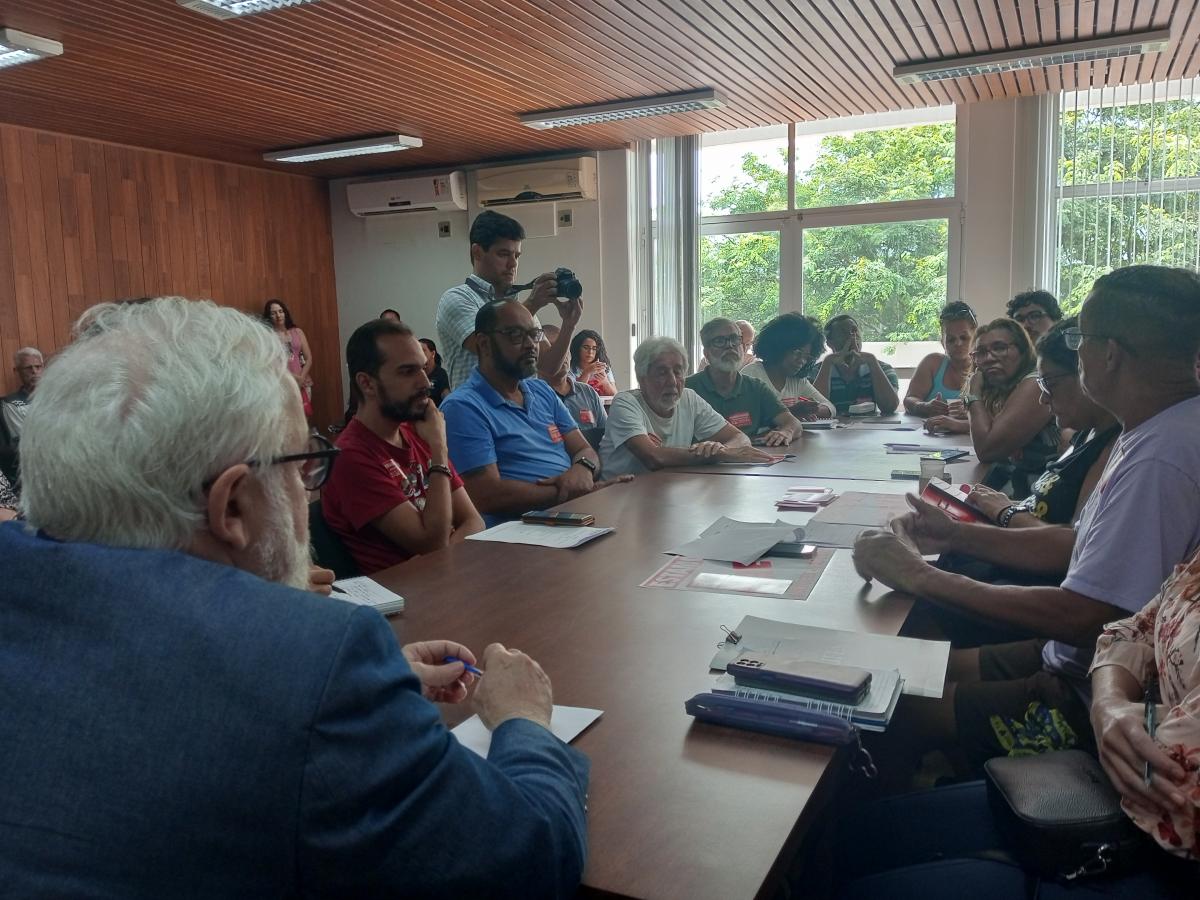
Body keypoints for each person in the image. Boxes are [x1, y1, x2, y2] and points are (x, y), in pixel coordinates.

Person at [2, 297, 589, 897]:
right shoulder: (310, 663)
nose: (308, 490)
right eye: (302, 466)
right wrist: (523, 721)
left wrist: (370, 690)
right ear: (232, 507)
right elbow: (528, 859)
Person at [851, 264, 1200, 772]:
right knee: (892, 665)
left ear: (1109, 354)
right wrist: (954, 536)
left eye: (1081, 338)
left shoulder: (1162, 457)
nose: (1072, 351)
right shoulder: (1156, 427)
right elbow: (1076, 545)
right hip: (1059, 656)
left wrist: (920, 577)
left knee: (878, 707)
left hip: (1081, 698)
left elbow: (1089, 616)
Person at [441, 300, 628, 524]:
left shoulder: (541, 391)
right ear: (484, 344)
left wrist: (583, 469)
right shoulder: (463, 407)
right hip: (516, 533)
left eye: (534, 334)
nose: (531, 345)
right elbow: (488, 495)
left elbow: (584, 449)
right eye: (516, 335)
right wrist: (573, 491)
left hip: (570, 515)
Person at [321, 319, 485, 574]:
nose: (425, 382)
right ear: (366, 383)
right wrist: (439, 450)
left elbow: (474, 521)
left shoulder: (417, 433)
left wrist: (443, 555)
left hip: (448, 581)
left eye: (422, 368)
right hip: (408, 604)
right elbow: (431, 543)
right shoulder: (350, 456)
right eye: (407, 372)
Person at [962, 318, 1118, 530]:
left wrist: (1004, 512)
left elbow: (1070, 544)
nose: (1043, 399)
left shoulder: (1110, 446)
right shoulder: (1086, 435)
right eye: (981, 352)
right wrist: (1005, 507)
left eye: (1049, 384)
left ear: (1086, 376)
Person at [436, 210, 580, 390]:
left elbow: (548, 367)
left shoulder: (520, 307)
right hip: (480, 411)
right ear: (477, 252)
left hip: (523, 411)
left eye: (516, 256)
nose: (513, 264)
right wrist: (532, 305)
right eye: (504, 254)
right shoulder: (457, 299)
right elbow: (490, 347)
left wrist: (568, 325)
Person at [600, 336, 774, 478]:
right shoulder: (625, 402)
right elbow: (654, 457)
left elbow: (739, 438)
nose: (672, 381)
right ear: (642, 377)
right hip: (621, 493)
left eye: (678, 371)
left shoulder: (689, 398)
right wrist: (720, 454)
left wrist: (719, 448)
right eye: (662, 372)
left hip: (666, 488)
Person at [929, 317, 1059, 497]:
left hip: (1038, 494)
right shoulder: (1007, 387)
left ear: (1022, 350)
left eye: (999, 348)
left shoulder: (1034, 384)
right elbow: (993, 430)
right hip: (1019, 485)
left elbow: (986, 450)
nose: (989, 358)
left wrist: (973, 394)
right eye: (980, 352)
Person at [685, 317, 802, 446]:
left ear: (743, 347)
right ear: (706, 353)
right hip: (701, 463)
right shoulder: (687, 389)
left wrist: (786, 432)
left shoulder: (756, 388)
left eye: (735, 339)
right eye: (719, 341)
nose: (729, 346)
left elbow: (793, 423)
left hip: (749, 462)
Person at [740, 312, 834, 420]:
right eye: (797, 353)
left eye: (807, 357)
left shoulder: (796, 380)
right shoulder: (751, 374)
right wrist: (790, 413)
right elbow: (744, 419)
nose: (802, 361)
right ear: (779, 346)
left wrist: (811, 409)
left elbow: (830, 407)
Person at [814, 314, 900, 415]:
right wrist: (827, 363)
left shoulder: (883, 368)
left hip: (868, 428)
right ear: (830, 343)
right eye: (843, 333)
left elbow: (890, 407)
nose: (852, 337)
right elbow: (814, 407)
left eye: (855, 331)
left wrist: (872, 362)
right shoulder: (816, 371)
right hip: (831, 429)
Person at [903, 301, 976, 418]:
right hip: (931, 433)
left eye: (964, 337)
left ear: (975, 337)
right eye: (951, 339)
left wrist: (971, 411)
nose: (958, 343)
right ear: (942, 341)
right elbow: (909, 399)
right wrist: (923, 406)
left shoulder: (984, 368)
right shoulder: (932, 363)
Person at [543, 343, 607, 450]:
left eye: (565, 349)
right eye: (553, 350)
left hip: (596, 460)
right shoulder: (533, 397)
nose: (561, 355)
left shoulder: (587, 392)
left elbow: (607, 435)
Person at [263, 299, 314, 418]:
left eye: (280, 311)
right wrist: (293, 378)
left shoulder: (297, 332)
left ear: (285, 313)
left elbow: (309, 358)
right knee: (289, 420)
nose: (278, 315)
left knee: (303, 419)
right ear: (269, 316)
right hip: (283, 383)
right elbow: (271, 364)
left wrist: (301, 377)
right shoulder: (269, 336)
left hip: (303, 382)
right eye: (273, 313)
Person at [2, 346, 43, 442]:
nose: (34, 371)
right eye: (28, 368)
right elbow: (26, 442)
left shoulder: (54, 397)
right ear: (17, 372)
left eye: (38, 367)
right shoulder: (12, 404)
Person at [569, 329, 617, 396]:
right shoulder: (570, 368)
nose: (590, 352)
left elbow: (614, 395)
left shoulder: (604, 367)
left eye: (594, 348)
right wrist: (586, 373)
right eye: (586, 347)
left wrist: (605, 382)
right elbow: (574, 394)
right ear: (577, 348)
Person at [418, 337, 451, 404]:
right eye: (417, 351)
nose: (419, 354)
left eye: (423, 350)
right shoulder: (415, 374)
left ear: (433, 354)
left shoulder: (441, 374)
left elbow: (447, 397)